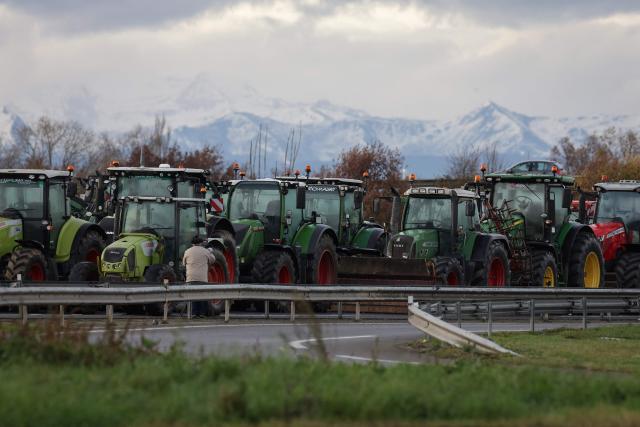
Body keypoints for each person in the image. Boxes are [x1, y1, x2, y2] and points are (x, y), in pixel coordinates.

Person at [182, 236, 216, 317]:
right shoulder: (205, 251)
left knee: (192, 295)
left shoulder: (187, 251)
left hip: (190, 278)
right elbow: (213, 260)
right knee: (202, 295)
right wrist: (210, 252)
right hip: (202, 278)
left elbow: (184, 263)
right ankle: (201, 313)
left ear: (192, 243)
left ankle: (193, 313)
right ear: (201, 243)